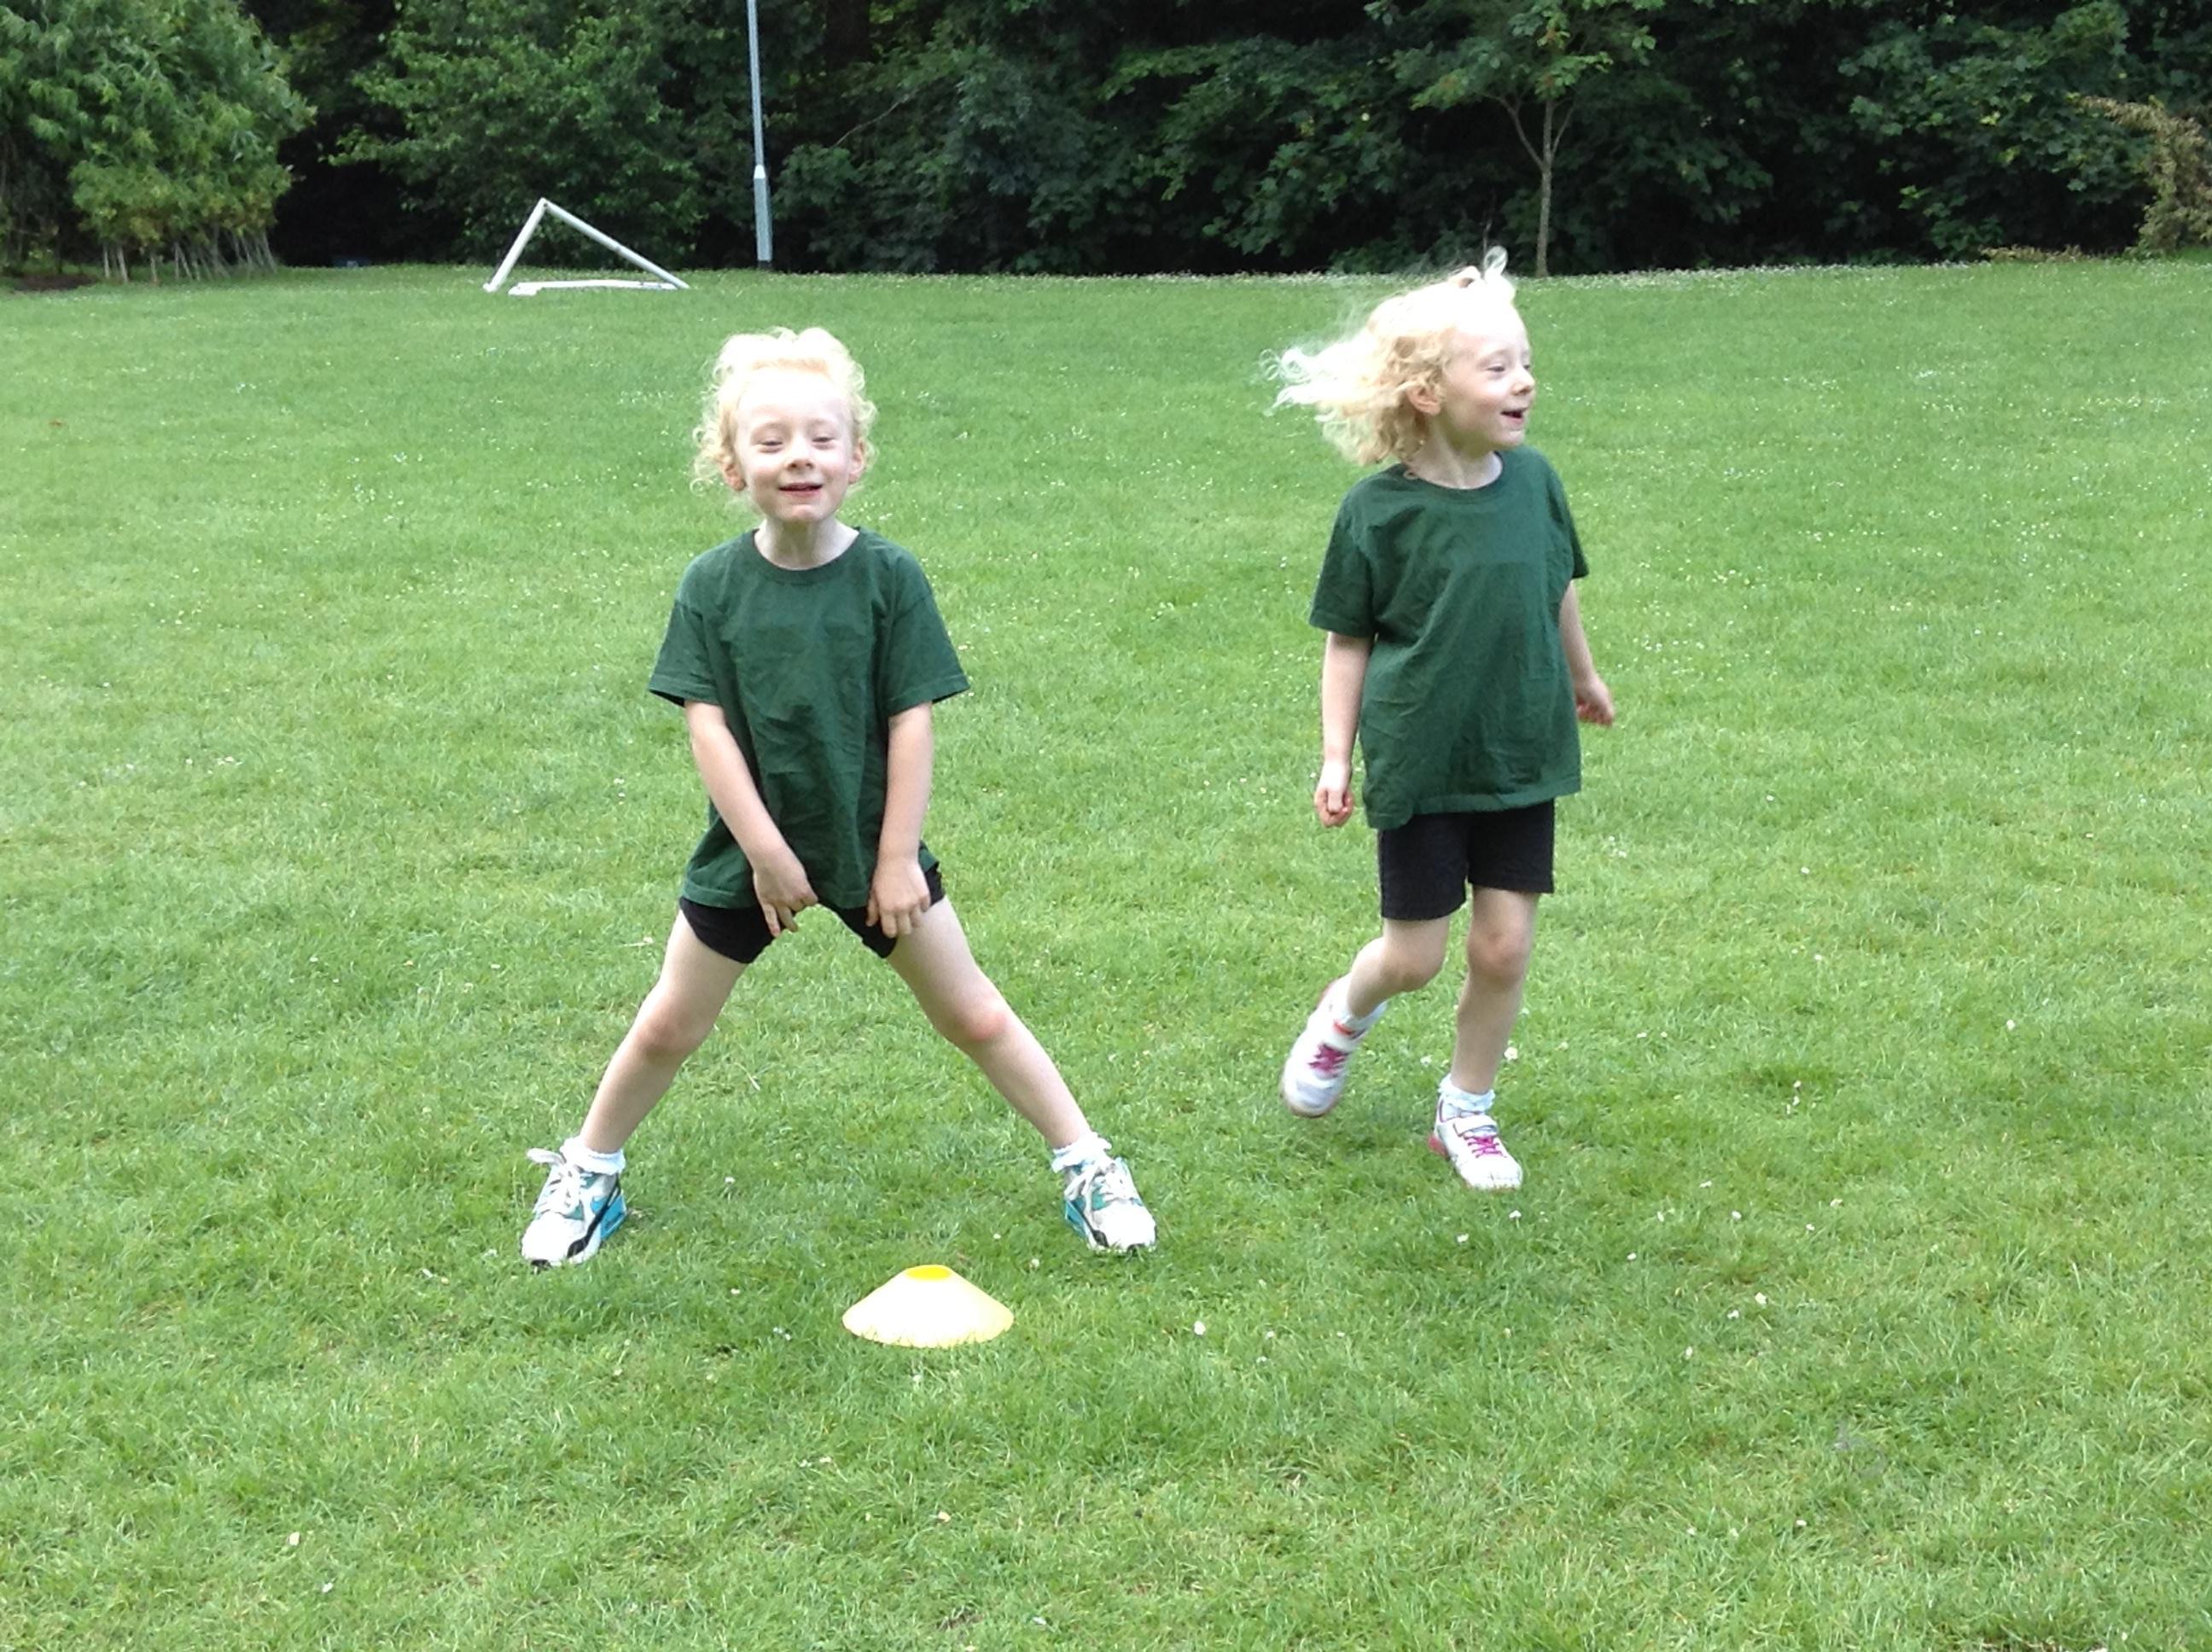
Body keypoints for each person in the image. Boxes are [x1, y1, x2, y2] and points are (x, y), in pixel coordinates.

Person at [522, 327, 1155, 1265]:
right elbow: (708, 729)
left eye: (822, 438)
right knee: (669, 1022)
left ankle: (1088, 1164)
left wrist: (896, 859)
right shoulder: (711, 586)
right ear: (731, 466)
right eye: (771, 441)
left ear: (855, 458)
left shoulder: (889, 579)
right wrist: (768, 855)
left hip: (871, 846)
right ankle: (589, 1170)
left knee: (974, 1014)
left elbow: (912, 722)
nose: (799, 457)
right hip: (751, 854)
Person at [1272, 251, 1614, 1192]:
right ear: (1427, 392)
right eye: (1498, 367)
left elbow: (1558, 586)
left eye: (1526, 362)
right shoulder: (1377, 514)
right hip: (1422, 756)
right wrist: (1335, 756)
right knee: (1414, 956)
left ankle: (1467, 1109)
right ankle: (1344, 1014)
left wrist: (1583, 676)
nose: (1525, 381)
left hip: (1520, 748)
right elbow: (1347, 641)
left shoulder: (1536, 484)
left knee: (1504, 947)